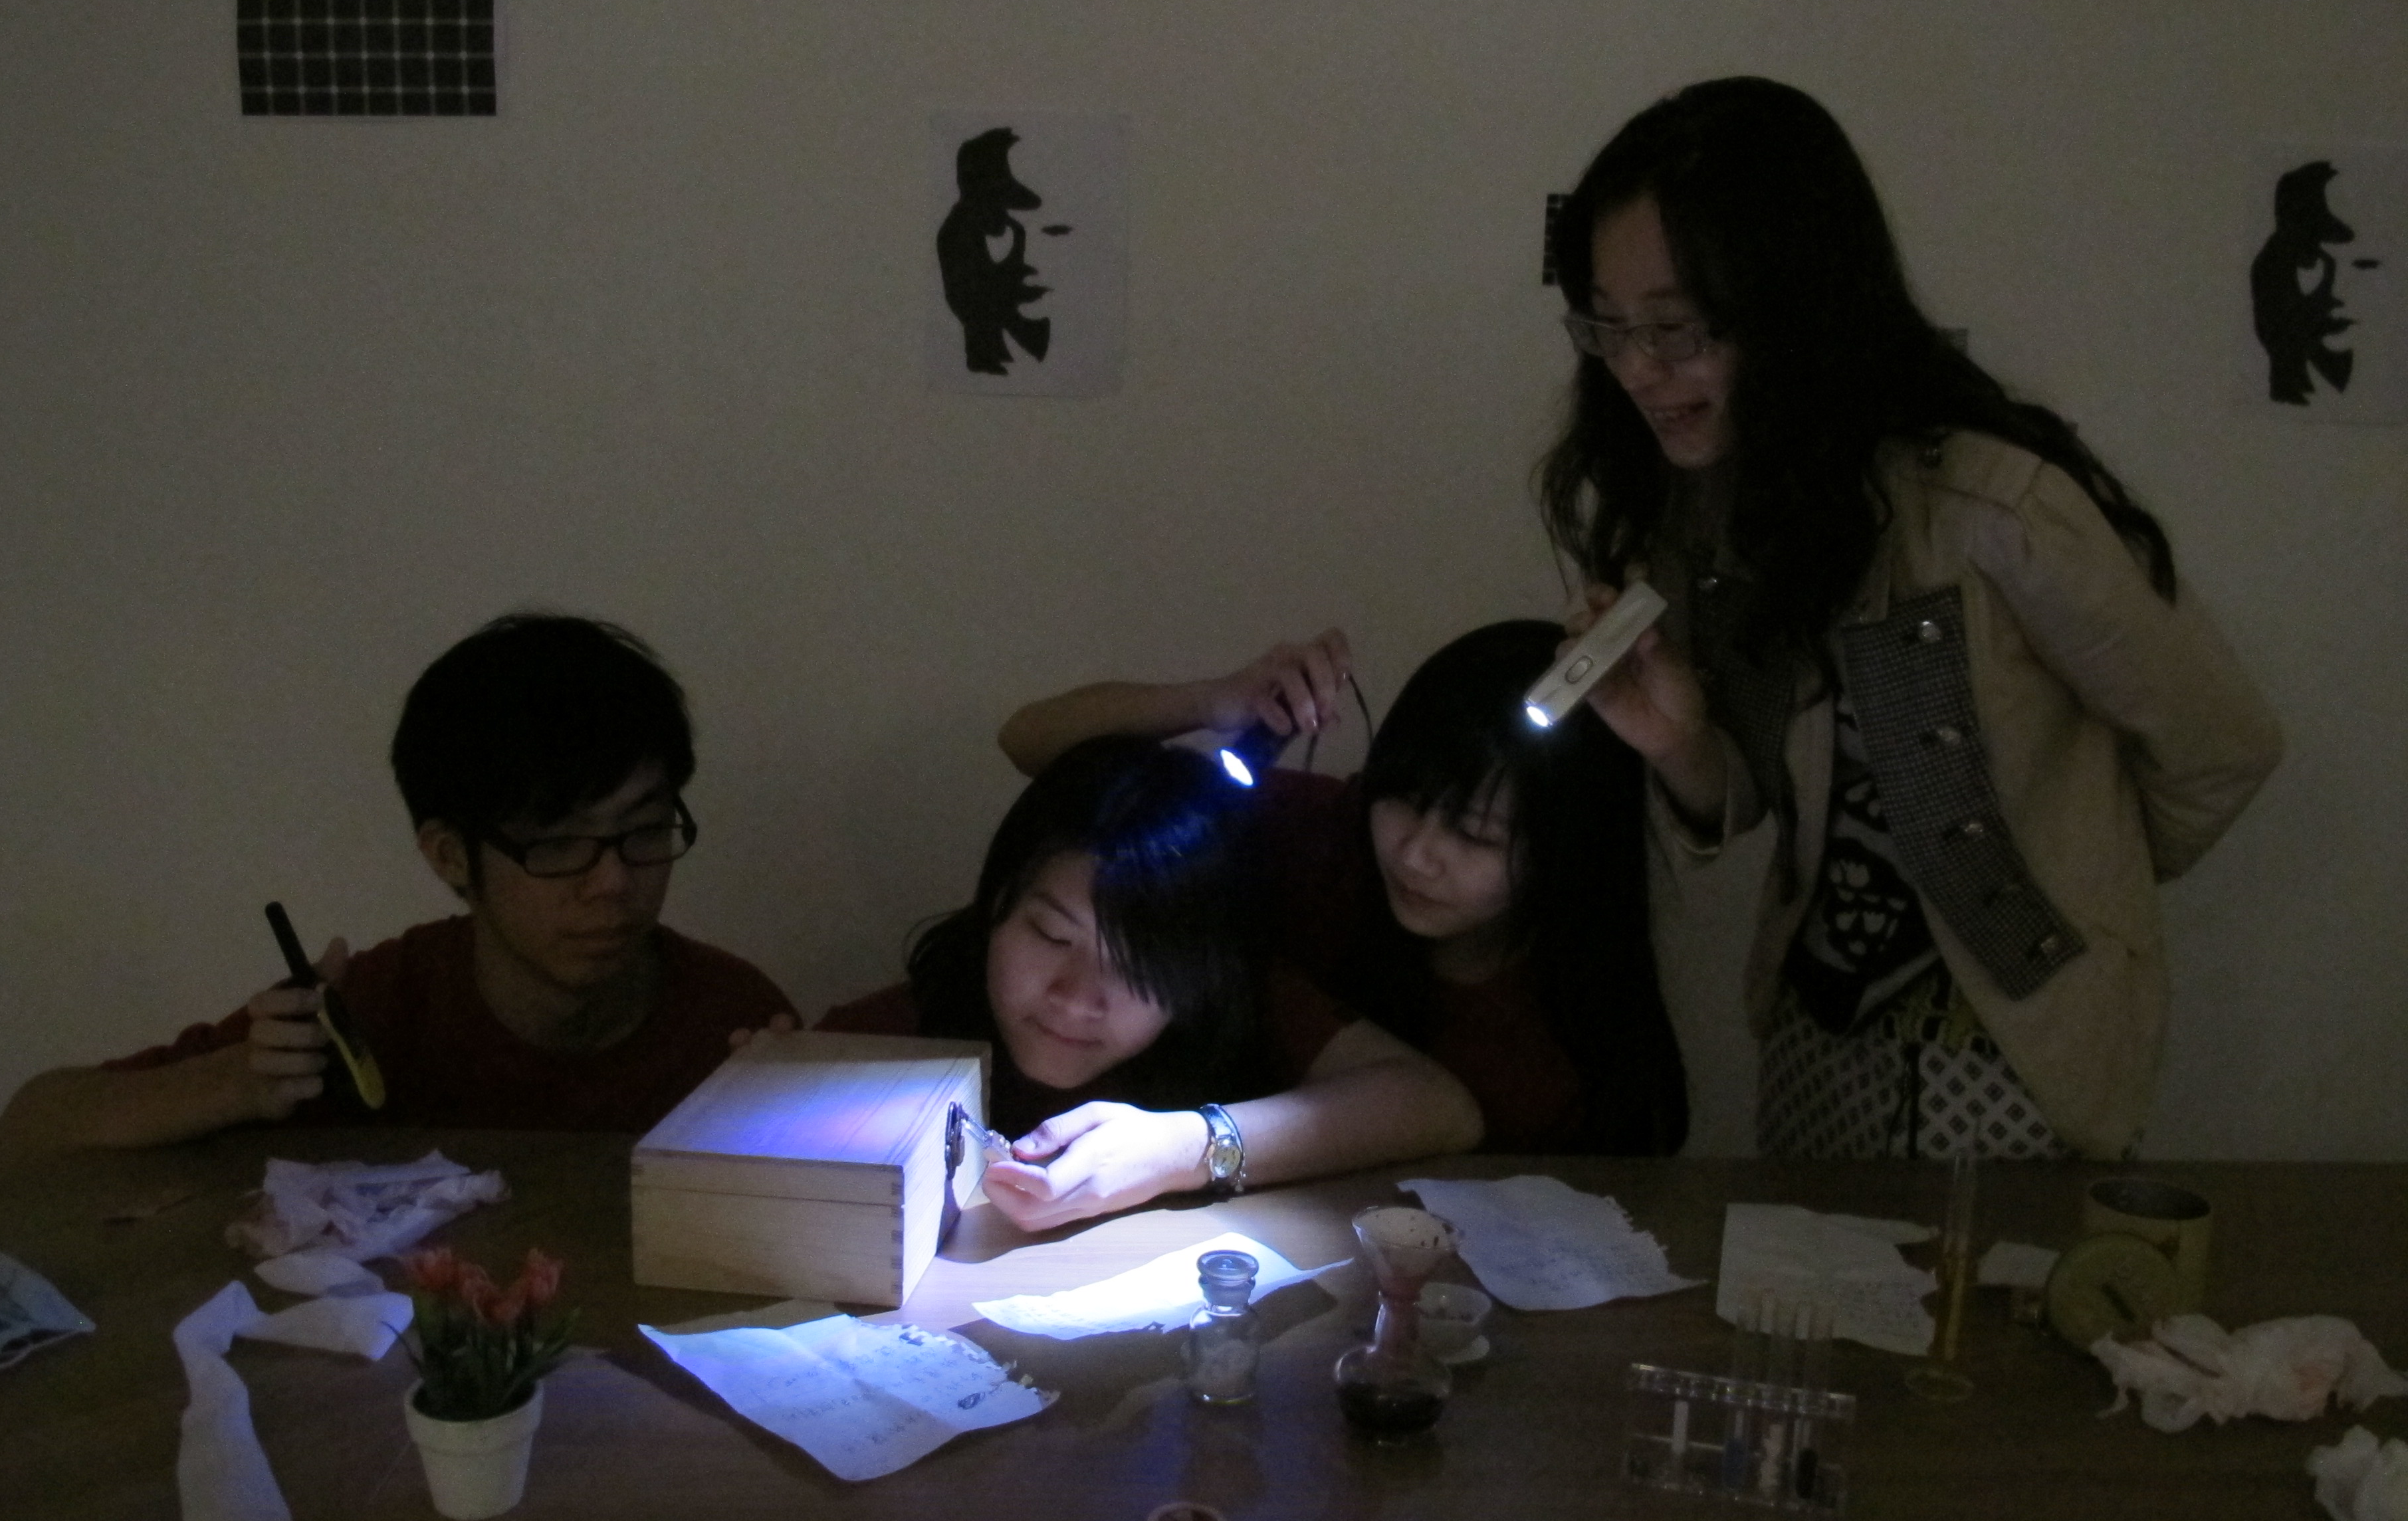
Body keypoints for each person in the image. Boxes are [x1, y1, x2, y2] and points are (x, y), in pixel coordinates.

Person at [1536, 76, 2282, 1160]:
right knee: (1792, 1269)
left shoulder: (1995, 508)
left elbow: (2223, 746)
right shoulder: (1708, 510)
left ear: (1794, 304)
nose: (1639, 370)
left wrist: (2079, 881)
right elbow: (1746, 791)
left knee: (1984, 1280)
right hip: (1813, 1040)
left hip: (2017, 1065)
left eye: (1677, 327)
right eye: (1609, 326)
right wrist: (1676, 741)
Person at [0, 614, 798, 1150]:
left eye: (645, 831)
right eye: (558, 844)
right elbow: (28, 1129)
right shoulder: (381, 1010)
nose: (614, 881)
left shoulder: (731, 1020)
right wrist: (237, 1082)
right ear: (449, 855)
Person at [996, 623, 1690, 1156]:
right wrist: (1212, 700)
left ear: (1564, 852)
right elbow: (1033, 744)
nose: (1416, 854)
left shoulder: (1573, 1035)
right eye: (1402, 798)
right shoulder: (1319, 838)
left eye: (1474, 835)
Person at [817, 736, 1483, 1231]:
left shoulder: (1238, 1002)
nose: (1078, 995)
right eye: (1051, 935)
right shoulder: (902, 1030)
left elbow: (1441, 1107)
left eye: (1141, 964)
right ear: (994, 906)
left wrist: (1181, 1149)